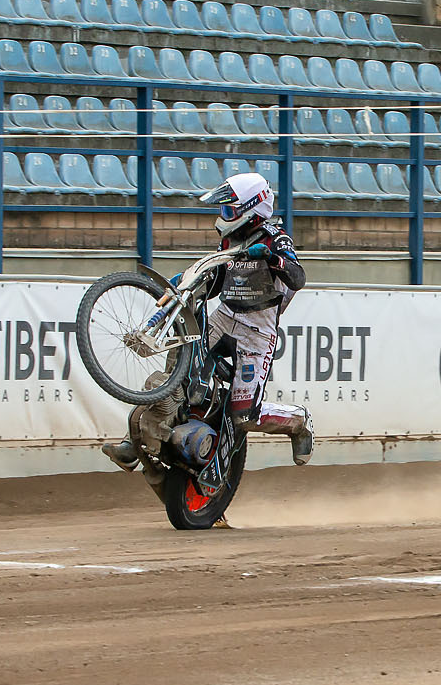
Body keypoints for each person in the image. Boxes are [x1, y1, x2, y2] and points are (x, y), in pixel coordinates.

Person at [101, 171, 313, 472]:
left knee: (245, 415)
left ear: (250, 210)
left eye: (228, 210)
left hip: (258, 331)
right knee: (178, 370)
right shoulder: (228, 240)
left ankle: (298, 421)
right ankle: (133, 442)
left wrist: (271, 258)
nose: (223, 216)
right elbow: (217, 283)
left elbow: (298, 277)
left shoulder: (275, 238)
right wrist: (195, 282)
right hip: (224, 318)